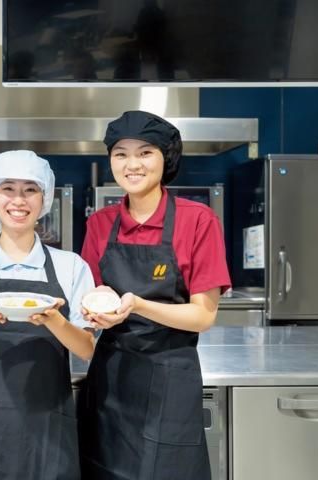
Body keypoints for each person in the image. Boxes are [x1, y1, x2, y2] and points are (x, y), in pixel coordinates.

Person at [77, 111, 231, 480]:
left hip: (170, 378)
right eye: (121, 154)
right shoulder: (99, 223)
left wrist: (138, 304)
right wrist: (95, 310)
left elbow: (203, 316)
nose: (132, 165)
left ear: (167, 158)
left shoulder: (198, 220)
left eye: (145, 153)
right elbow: (92, 294)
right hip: (111, 378)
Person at [0, 150, 96, 480]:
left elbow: (86, 349)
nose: (18, 200)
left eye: (30, 190)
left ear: (45, 198)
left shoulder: (72, 266)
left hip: (48, 430)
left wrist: (55, 321)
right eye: (7, 188)